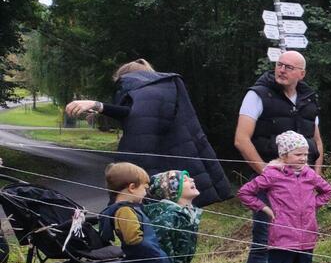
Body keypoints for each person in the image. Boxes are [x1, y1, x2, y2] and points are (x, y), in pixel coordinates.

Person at [234, 51, 324, 263]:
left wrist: (314, 181)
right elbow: (241, 139)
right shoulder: (258, 95)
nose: (282, 70)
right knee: (265, 244)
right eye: (279, 65)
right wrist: (270, 176)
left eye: (289, 67)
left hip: (302, 188)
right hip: (270, 187)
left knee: (298, 247)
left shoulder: (309, 99)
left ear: (301, 73)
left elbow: (316, 142)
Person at [63, 61, 233, 203]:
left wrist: (96, 104)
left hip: (158, 169)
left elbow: (134, 115)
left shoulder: (144, 91)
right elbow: (133, 113)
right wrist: (101, 110)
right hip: (178, 169)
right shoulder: (166, 89)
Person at [238, 131, 331, 263]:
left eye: (305, 155)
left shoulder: (310, 174)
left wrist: (312, 206)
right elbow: (245, 192)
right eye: (298, 154)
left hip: (307, 237)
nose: (303, 159)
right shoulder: (272, 174)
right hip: (281, 237)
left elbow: (328, 191)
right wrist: (264, 208)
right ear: (284, 155)